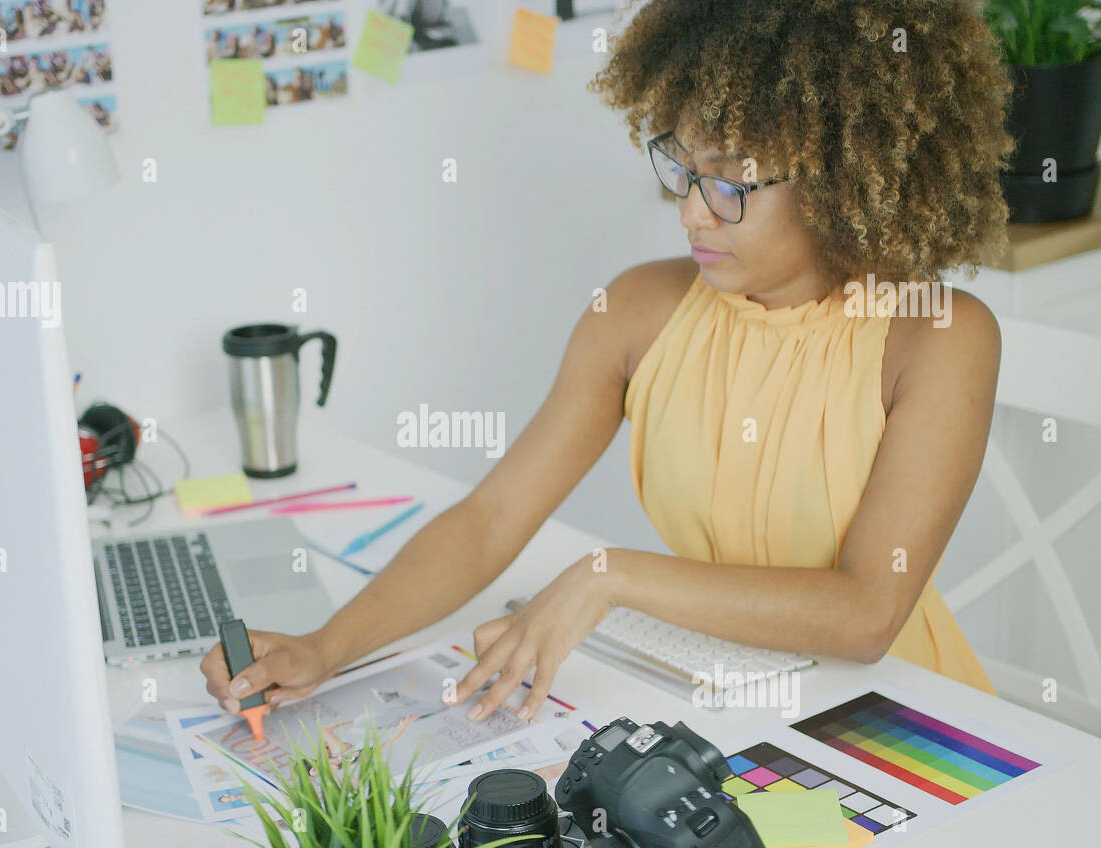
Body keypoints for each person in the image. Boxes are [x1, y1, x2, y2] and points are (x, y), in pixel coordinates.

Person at [202, 0, 1012, 723]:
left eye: (732, 181)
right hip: (729, 705)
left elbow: (867, 613)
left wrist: (606, 576)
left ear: (844, 180)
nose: (692, 209)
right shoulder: (636, 312)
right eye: (684, 167)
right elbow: (491, 521)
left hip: (906, 720)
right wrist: (326, 646)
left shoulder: (938, 335)